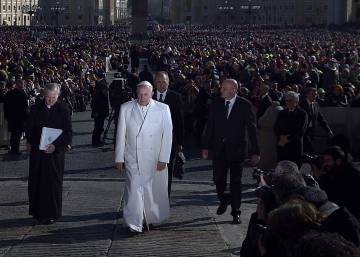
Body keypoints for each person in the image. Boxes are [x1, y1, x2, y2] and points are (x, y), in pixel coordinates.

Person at [115, 81, 173, 234]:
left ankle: (151, 219)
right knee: (133, 189)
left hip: (154, 157)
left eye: (145, 94)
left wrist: (164, 158)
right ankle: (133, 223)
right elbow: (121, 134)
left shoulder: (163, 109)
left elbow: (167, 136)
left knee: (152, 190)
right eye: (139, 94)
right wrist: (119, 158)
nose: (142, 98)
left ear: (152, 94)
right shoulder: (126, 108)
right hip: (132, 156)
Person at [202, 79, 260, 224]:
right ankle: (224, 199)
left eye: (224, 89)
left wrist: (255, 151)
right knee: (218, 180)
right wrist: (205, 146)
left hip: (237, 150)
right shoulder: (216, 103)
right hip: (219, 150)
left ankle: (236, 211)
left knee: (236, 182)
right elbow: (210, 125)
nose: (221, 91)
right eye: (221, 88)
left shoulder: (245, 105)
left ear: (234, 90)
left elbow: (252, 129)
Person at [26, 83, 72, 225]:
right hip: (38, 153)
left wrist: (56, 145)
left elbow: (68, 132)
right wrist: (36, 142)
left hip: (54, 154)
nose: (50, 100)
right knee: (37, 182)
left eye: (53, 97)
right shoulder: (35, 109)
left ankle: (52, 213)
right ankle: (38, 212)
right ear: (43, 95)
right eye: (48, 97)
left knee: (53, 184)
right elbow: (29, 130)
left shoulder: (63, 109)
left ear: (58, 96)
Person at [153, 71, 184, 196]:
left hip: (169, 141)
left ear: (168, 82)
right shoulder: (148, 96)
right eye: (159, 82)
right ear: (155, 83)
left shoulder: (176, 97)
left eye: (164, 82)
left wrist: (180, 142)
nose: (161, 85)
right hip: (151, 141)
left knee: (167, 169)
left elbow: (180, 121)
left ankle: (165, 197)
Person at [318, 146, 360, 221]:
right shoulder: (333, 173)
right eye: (324, 161)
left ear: (338, 161)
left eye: (328, 161)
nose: (325, 164)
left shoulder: (351, 175)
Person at [274, 91, 307, 168]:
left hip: (295, 147)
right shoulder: (282, 113)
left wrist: (287, 139)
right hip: (282, 146)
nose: (288, 102)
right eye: (286, 100)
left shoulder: (302, 114)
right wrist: (280, 137)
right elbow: (276, 127)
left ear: (296, 101)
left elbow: (301, 130)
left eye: (290, 100)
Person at [299, 87, 333, 155]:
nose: (315, 96)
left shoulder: (316, 105)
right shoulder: (301, 105)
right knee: (310, 149)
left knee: (309, 150)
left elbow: (320, 119)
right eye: (313, 94)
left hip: (312, 131)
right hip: (303, 131)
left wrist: (328, 130)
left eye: (315, 94)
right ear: (307, 95)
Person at [4, 77, 28, 155]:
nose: (23, 85)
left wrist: (7, 116)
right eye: (22, 83)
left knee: (13, 134)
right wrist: (26, 117)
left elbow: (6, 106)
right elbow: (25, 107)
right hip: (20, 118)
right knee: (17, 135)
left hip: (11, 118)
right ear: (19, 84)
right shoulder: (22, 94)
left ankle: (12, 149)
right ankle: (15, 150)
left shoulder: (9, 93)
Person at [91, 79, 109, 147]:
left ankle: (97, 140)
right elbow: (95, 104)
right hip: (99, 113)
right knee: (98, 127)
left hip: (100, 112)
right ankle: (95, 142)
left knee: (99, 127)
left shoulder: (98, 92)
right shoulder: (99, 93)